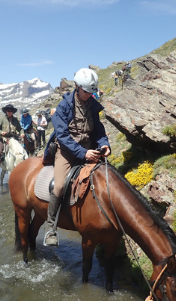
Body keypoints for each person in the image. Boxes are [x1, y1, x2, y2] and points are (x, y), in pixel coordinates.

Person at [42, 68, 111, 246]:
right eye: (86, 91)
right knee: (58, 186)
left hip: (89, 149)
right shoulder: (63, 106)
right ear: (77, 86)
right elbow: (62, 136)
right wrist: (83, 153)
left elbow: (98, 131)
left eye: (91, 92)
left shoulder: (93, 106)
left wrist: (104, 144)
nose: (89, 95)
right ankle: (50, 228)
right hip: (66, 151)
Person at [0, 104, 21, 176]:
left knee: (22, 149)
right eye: (8, 111)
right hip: (4, 138)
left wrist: (22, 133)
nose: (9, 112)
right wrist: (1, 132)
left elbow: (20, 129)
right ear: (6, 111)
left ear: (12, 112)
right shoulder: (2, 119)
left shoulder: (15, 120)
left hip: (14, 137)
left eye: (11, 111)